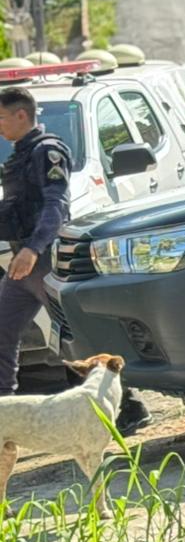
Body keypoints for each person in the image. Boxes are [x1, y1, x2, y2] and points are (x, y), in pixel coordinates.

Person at [0, 86, 151, 434]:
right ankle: (4, 412)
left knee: (74, 339)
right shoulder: (20, 155)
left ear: (21, 115)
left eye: (2, 118)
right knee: (3, 331)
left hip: (46, 260)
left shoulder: (47, 151)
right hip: (23, 262)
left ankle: (128, 406)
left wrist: (33, 249)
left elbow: (56, 208)